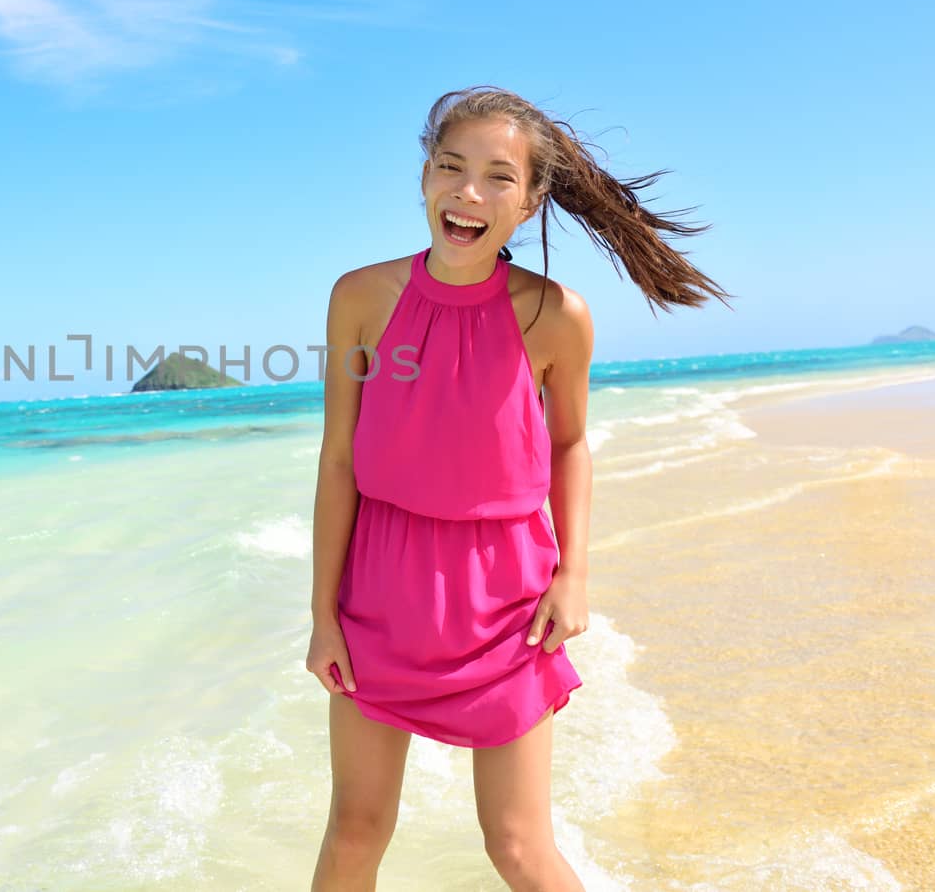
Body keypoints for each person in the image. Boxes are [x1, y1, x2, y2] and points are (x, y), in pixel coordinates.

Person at [306, 86, 732, 891]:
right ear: (423, 180)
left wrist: (573, 575)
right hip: (380, 586)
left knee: (516, 844)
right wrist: (322, 614)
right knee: (356, 831)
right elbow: (337, 460)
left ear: (533, 200)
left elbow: (569, 442)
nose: (469, 192)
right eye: (450, 167)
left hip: (505, 593)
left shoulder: (554, 316)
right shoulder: (360, 299)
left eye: (499, 177)